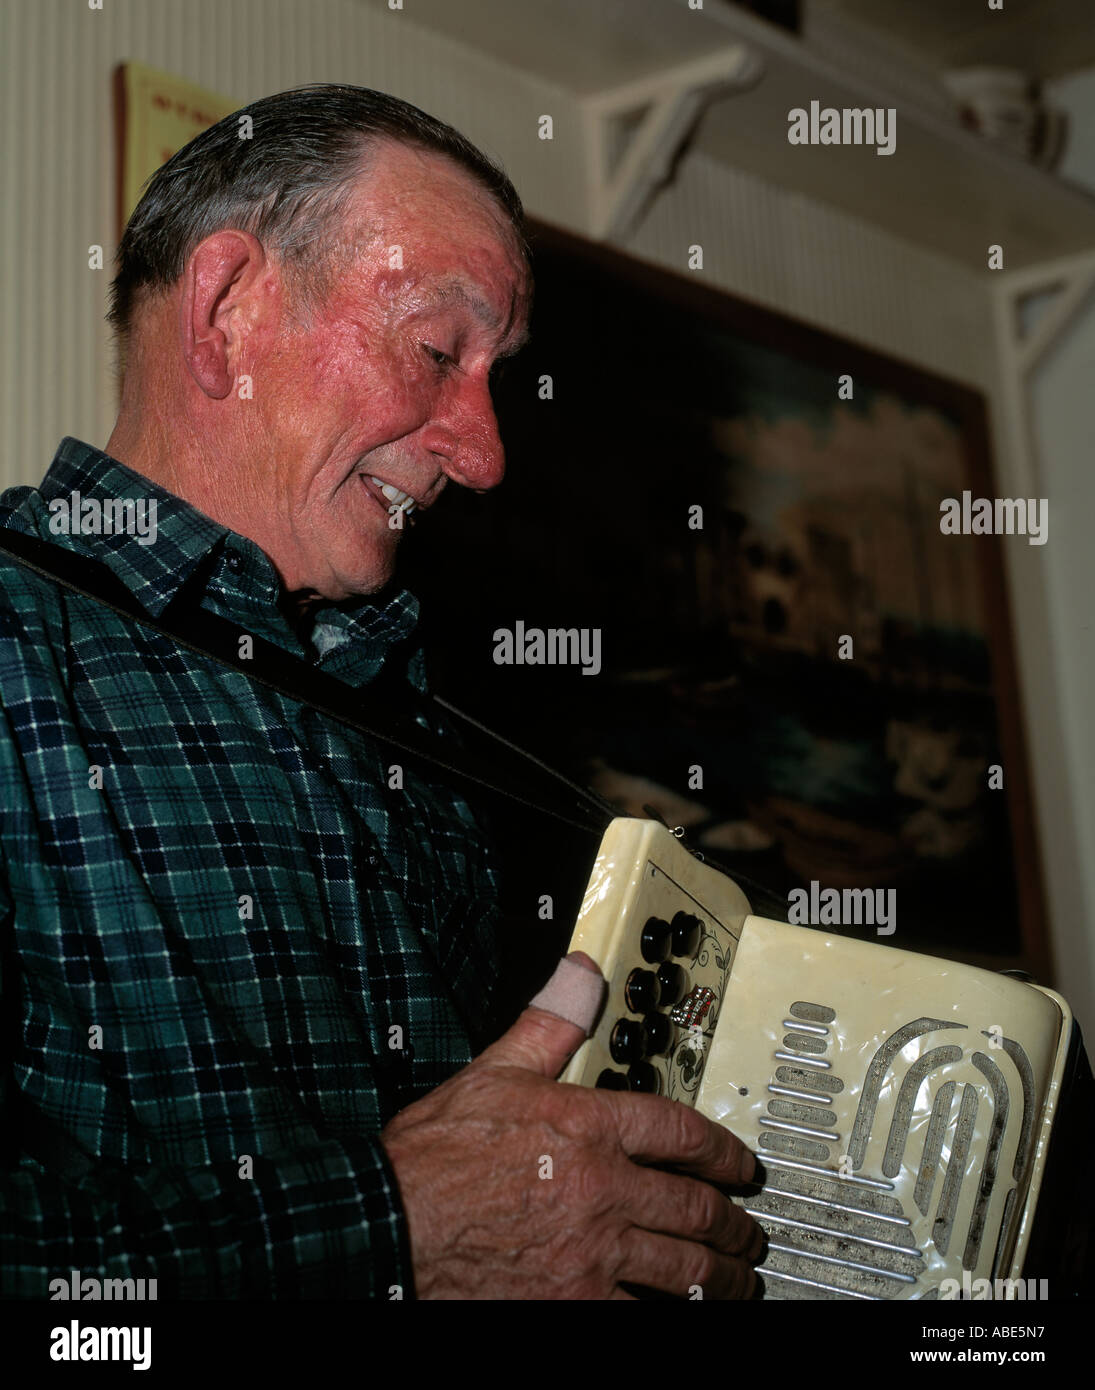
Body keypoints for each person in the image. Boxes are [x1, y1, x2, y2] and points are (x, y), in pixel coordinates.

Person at [0, 84, 762, 1299]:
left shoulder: (420, 713)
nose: (486, 450)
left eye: (496, 372)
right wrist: (394, 1229)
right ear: (227, 308)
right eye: (433, 349)